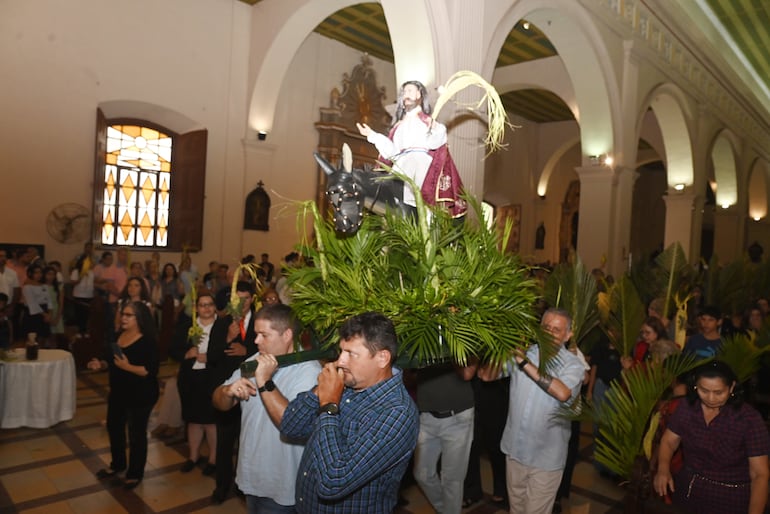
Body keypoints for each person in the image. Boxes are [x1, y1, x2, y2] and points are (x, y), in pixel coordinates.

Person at [280, 312, 419, 513]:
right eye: (341, 351)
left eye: (351, 354)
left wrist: (328, 406)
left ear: (382, 358)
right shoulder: (345, 383)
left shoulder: (397, 413)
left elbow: (332, 483)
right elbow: (290, 426)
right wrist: (319, 391)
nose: (340, 361)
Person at [212, 304, 321, 513]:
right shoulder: (254, 360)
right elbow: (218, 402)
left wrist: (263, 380)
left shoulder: (309, 371)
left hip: (283, 483)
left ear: (287, 334)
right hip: (252, 474)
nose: (256, 341)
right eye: (256, 334)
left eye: (264, 335)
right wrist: (227, 392)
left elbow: (290, 423)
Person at [478, 308, 585, 514]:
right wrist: (501, 349)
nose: (550, 333)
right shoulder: (525, 352)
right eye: (546, 327)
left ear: (568, 335)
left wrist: (524, 363)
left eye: (557, 329)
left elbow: (562, 393)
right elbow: (485, 376)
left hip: (546, 458)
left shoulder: (573, 364)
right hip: (515, 451)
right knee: (516, 510)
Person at [653, 361, 769, 514]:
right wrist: (663, 468)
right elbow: (669, 441)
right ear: (695, 386)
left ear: (732, 387)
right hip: (689, 488)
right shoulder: (687, 407)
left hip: (730, 496)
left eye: (719, 392)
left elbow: (760, 474)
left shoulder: (748, 419)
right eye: (704, 390)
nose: (711, 398)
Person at [356, 80, 465, 216]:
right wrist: (372, 135)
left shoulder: (427, 122)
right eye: (404, 92)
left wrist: (437, 129)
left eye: (410, 91)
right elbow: (392, 153)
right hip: (401, 168)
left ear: (419, 95)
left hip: (420, 168)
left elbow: (434, 143)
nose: (406, 95)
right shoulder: (398, 126)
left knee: (422, 206)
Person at [88, 301, 159, 490]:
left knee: (136, 434)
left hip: (141, 394)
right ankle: (118, 465)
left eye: (128, 315)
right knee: (114, 428)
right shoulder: (119, 336)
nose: (123, 318)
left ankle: (135, 473)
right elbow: (110, 360)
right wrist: (100, 364)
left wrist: (127, 367)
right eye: (123, 314)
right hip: (119, 392)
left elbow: (149, 371)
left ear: (139, 319)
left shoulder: (148, 341)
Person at [207, 280, 258, 504]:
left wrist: (247, 349)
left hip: (254, 391)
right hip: (229, 391)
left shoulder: (261, 321)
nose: (242, 303)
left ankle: (243, 485)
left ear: (253, 299)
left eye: (246, 298)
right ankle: (222, 485)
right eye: (237, 299)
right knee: (225, 442)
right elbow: (212, 357)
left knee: (249, 442)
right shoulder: (223, 322)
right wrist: (227, 338)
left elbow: (273, 353)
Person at [413, 363, 475, 514]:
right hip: (427, 416)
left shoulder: (461, 340)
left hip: (458, 418)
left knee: (452, 480)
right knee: (422, 474)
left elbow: (468, 373)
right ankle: (446, 510)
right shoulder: (420, 340)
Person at [170, 291, 220, 475]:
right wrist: (186, 354)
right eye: (202, 305)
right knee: (192, 419)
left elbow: (226, 353)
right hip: (190, 378)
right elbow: (173, 349)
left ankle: (214, 459)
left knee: (210, 421)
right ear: (196, 308)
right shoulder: (186, 327)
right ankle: (193, 456)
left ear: (215, 307)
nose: (206, 308)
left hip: (212, 377)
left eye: (209, 304)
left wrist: (211, 358)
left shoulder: (222, 327)